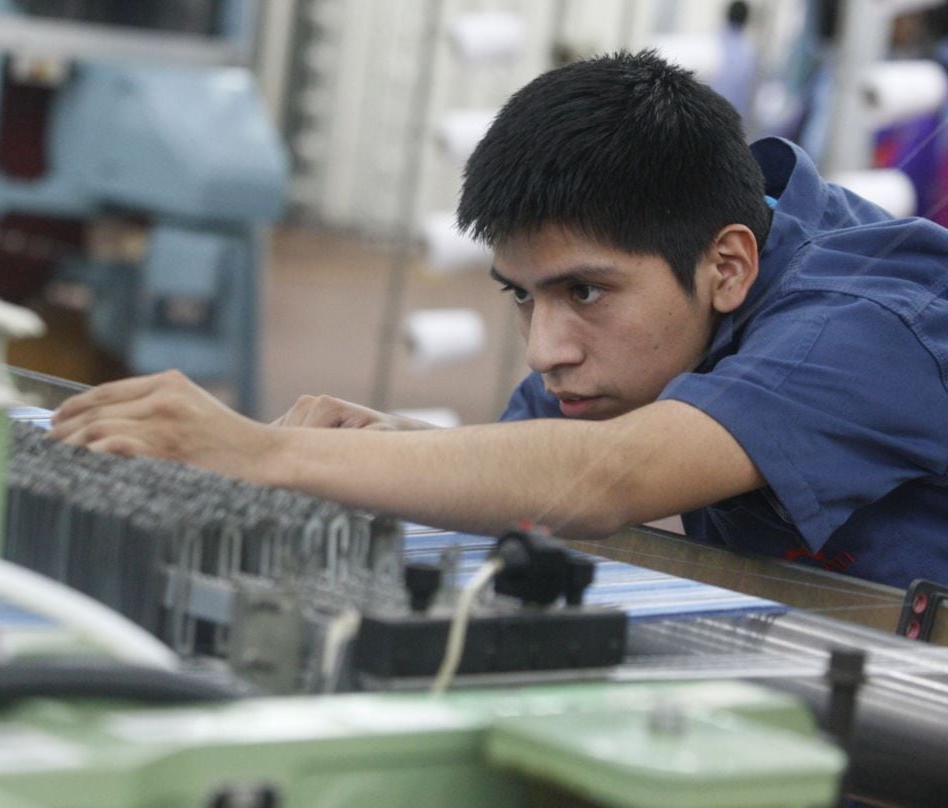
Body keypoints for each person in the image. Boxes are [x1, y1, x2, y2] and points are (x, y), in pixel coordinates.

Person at [51, 50, 948, 592]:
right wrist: (400, 452)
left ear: (728, 267)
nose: (545, 351)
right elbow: (542, 490)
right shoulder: (639, 321)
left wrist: (261, 452)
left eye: (584, 292)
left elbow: (605, 478)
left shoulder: (871, 322)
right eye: (523, 294)